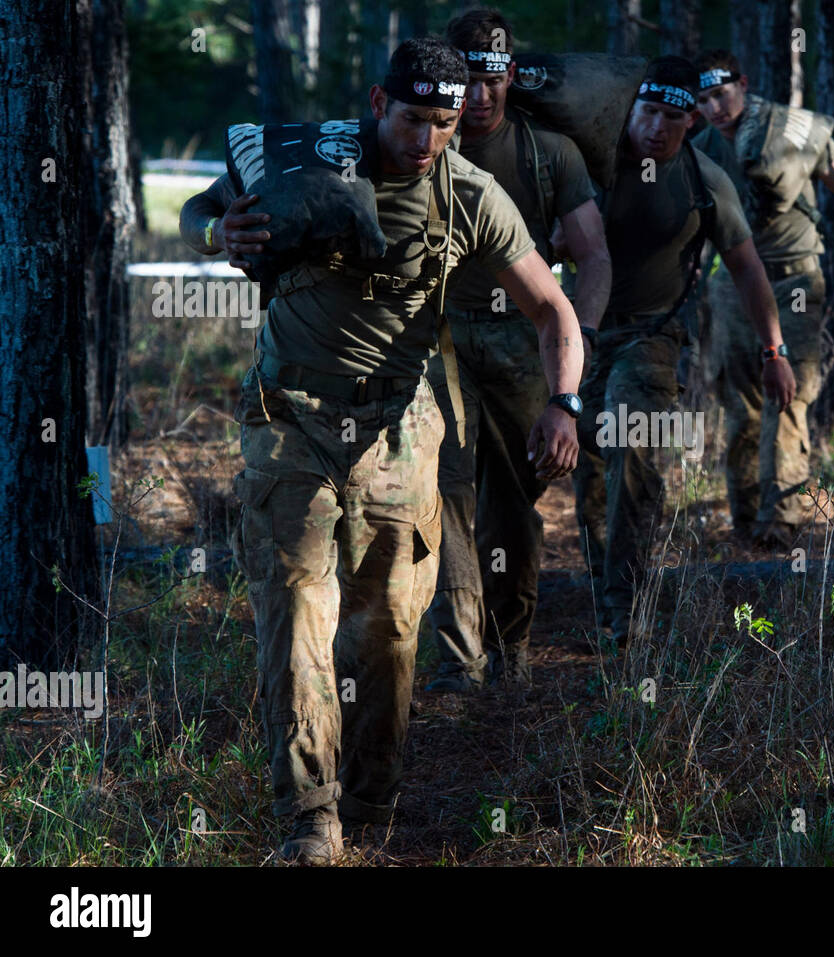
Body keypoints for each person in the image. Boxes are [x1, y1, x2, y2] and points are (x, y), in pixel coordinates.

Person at [180, 35, 582, 864]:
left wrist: (564, 403)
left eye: (444, 123)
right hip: (290, 416)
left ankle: (370, 800)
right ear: (376, 105)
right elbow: (198, 212)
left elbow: (553, 310)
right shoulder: (308, 159)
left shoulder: (471, 196)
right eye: (411, 119)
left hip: (399, 433)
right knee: (295, 613)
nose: (426, 139)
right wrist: (220, 231)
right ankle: (311, 816)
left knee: (389, 631)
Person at [571, 56, 796, 646]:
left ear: (692, 121)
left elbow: (748, 271)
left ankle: (630, 611)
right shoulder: (591, 165)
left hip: (654, 335)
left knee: (635, 447)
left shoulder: (705, 181)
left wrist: (775, 351)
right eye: (649, 112)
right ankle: (603, 596)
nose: (658, 128)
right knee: (590, 470)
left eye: (674, 116)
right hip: (577, 336)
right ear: (632, 110)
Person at [424, 9, 611, 693]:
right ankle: (457, 662)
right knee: (443, 498)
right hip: (438, 339)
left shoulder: (548, 152)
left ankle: (511, 649)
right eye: (467, 81)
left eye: (493, 79)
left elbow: (592, 259)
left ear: (511, 77)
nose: (479, 97)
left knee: (511, 511)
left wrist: (574, 347)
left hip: (521, 340)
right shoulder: (423, 145)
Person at [692, 50, 834, 548]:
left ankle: (780, 522)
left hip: (795, 283)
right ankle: (746, 525)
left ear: (742, 83)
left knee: (786, 399)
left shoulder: (793, 134)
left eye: (720, 93)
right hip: (733, 287)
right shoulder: (699, 149)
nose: (714, 107)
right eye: (702, 99)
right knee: (740, 407)